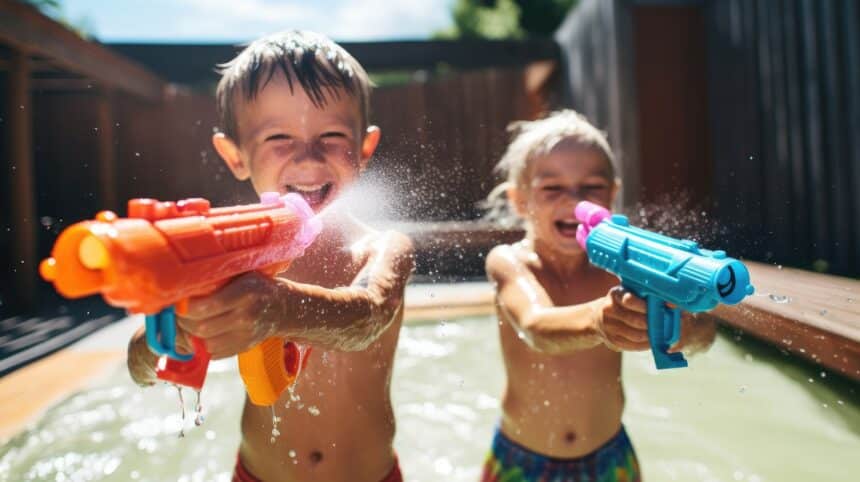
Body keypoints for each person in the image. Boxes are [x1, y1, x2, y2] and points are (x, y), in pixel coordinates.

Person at [126, 30, 413, 482]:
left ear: (364, 148)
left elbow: (369, 315)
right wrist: (175, 336)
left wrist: (278, 311)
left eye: (331, 135)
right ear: (235, 156)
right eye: (279, 136)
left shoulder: (383, 248)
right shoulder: (228, 258)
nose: (308, 157)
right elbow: (138, 367)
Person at [481, 110, 716, 481]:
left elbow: (705, 331)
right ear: (520, 200)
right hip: (522, 461)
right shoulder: (509, 262)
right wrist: (598, 321)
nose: (575, 202)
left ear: (613, 195)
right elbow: (535, 326)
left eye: (591, 187)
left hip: (609, 458)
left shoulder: (620, 267)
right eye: (552, 188)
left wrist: (681, 328)